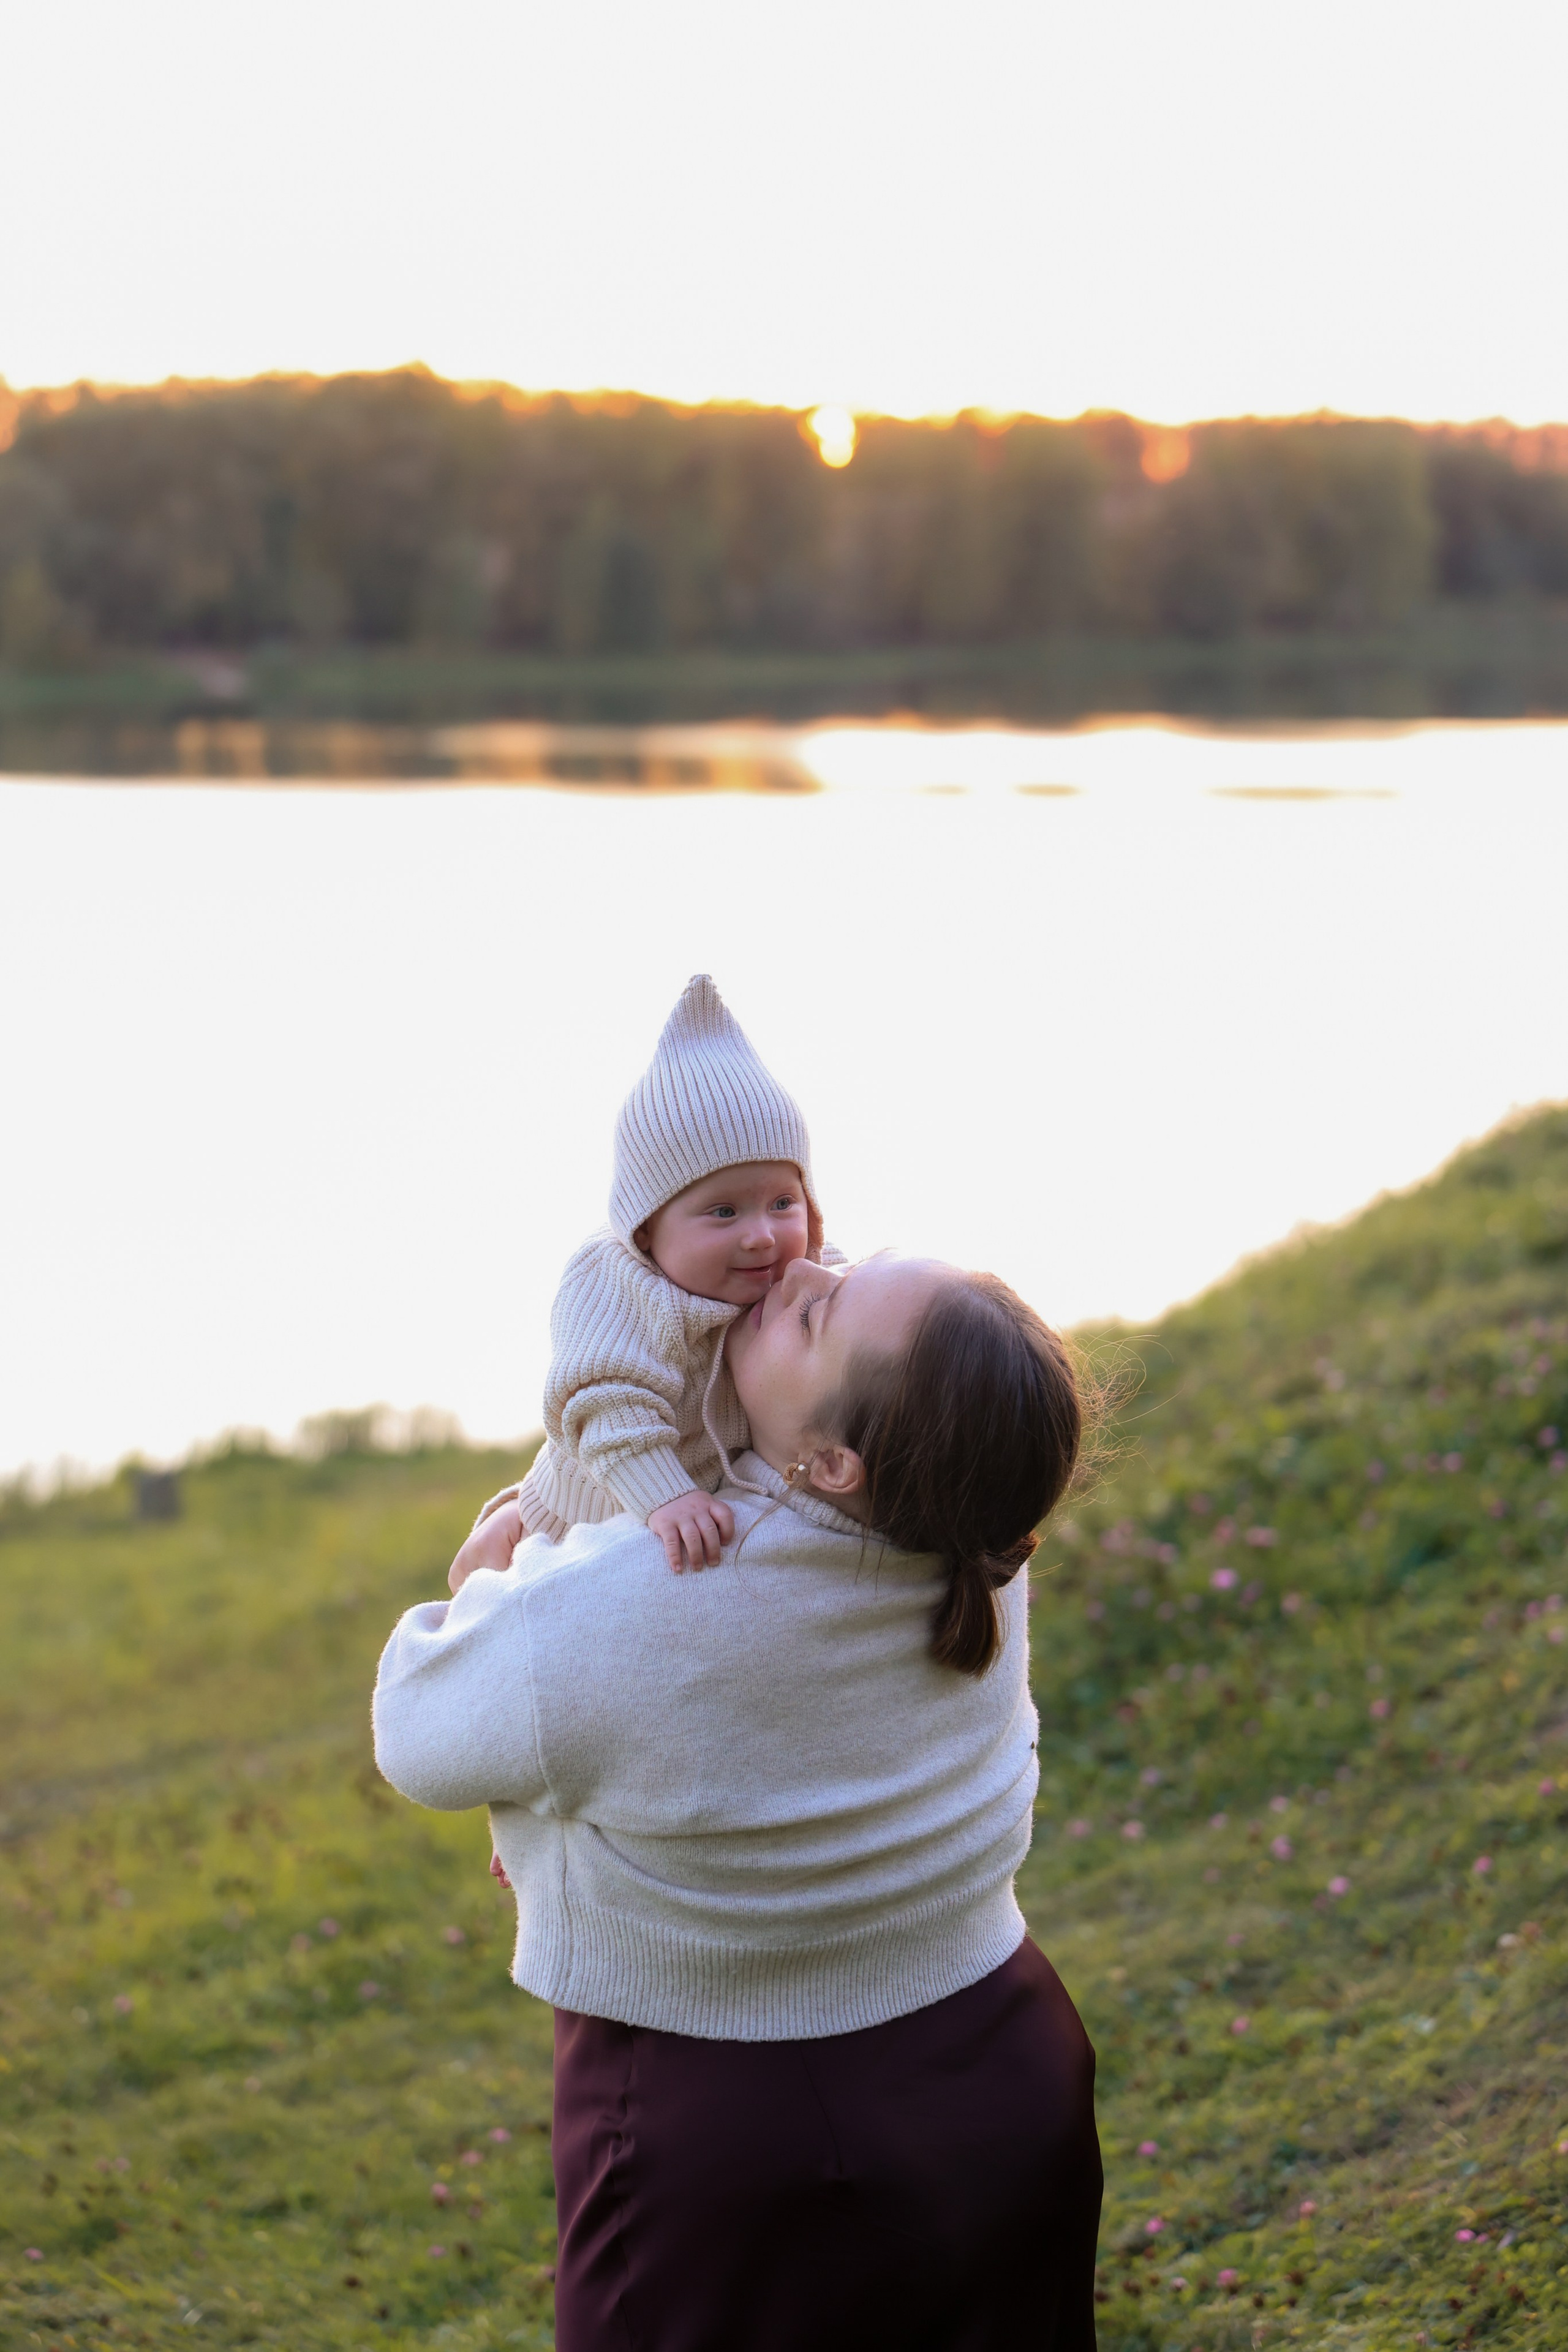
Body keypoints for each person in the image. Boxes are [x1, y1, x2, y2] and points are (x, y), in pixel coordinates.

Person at [374, 1250, 1101, 2351]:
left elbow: (420, 1729)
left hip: (727, 2126)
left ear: (834, 1462)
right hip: (1004, 2066)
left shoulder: (639, 1606)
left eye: (814, 1313)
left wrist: (484, 1572)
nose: (794, 1268)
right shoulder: (973, 1543)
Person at [452, 972, 842, 1583]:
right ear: (645, 1231)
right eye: (723, 1212)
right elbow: (605, 1403)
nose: (761, 1235)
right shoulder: (615, 1283)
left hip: (694, 1509)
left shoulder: (801, 1275)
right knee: (493, 1601)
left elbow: (865, 1312)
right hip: (578, 1519)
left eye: (783, 1203)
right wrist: (667, 1495)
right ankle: (490, 1545)